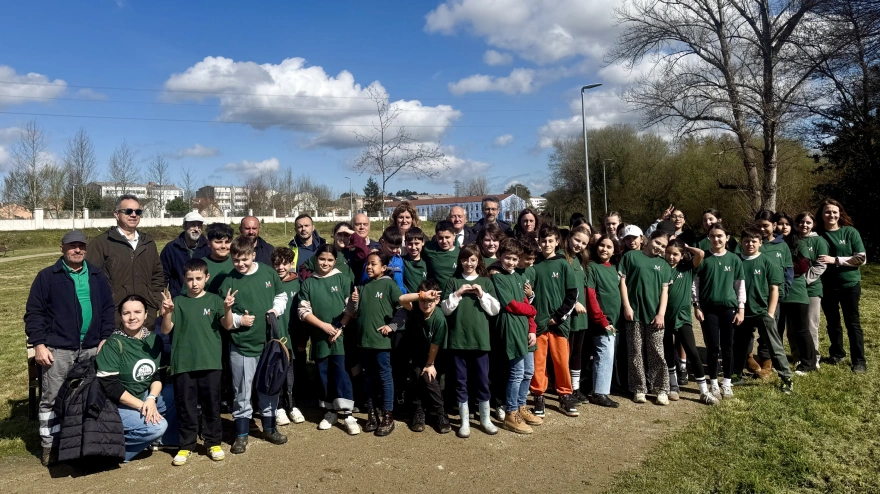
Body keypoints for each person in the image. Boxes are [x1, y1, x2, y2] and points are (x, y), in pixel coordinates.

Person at [25, 230, 116, 466]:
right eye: (72, 246)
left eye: (81, 246)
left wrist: (105, 337)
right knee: (52, 398)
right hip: (58, 348)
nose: (77, 250)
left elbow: (108, 309)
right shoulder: (47, 277)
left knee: (90, 396)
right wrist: (39, 344)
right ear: (62, 248)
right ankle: (50, 446)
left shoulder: (96, 275)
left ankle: (85, 444)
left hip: (91, 347)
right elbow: (34, 313)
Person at [218, 236, 289, 454]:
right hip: (242, 346)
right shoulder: (228, 281)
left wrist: (275, 309)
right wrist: (240, 320)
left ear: (253, 255)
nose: (240, 263)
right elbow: (223, 317)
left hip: (268, 345)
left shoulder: (268, 273)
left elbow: (281, 295)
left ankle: (270, 428)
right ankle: (241, 434)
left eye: (245, 259)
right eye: (236, 260)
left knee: (269, 386)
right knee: (242, 390)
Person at [160, 259, 227, 465]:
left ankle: (213, 442)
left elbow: (227, 325)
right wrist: (167, 312)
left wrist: (227, 308)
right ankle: (186, 445)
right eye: (190, 279)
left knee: (211, 404)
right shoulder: (177, 302)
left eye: (198, 278)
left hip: (210, 361)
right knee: (186, 405)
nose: (194, 283)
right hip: (183, 363)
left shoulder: (215, 300)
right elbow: (166, 330)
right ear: (184, 279)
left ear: (207, 278)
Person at [355, 252, 425, 436]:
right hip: (364, 341)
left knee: (385, 377)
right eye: (367, 264)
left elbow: (403, 309)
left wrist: (392, 326)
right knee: (368, 378)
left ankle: (388, 416)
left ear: (384, 267)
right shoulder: (362, 286)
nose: (369, 267)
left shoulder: (389, 285)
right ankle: (371, 414)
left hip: (382, 343)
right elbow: (355, 312)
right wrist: (353, 303)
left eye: (373, 264)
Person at [97, 295, 170, 463]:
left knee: (173, 395)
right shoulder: (113, 343)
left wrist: (151, 398)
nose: (132, 317)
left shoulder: (154, 339)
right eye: (126, 313)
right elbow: (110, 387)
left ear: (146, 314)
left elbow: (158, 375)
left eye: (137, 312)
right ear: (120, 316)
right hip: (117, 405)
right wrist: (143, 406)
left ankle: (158, 442)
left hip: (144, 396)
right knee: (158, 427)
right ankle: (114, 454)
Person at [298, 245, 360, 435]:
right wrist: (324, 326)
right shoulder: (309, 283)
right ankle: (330, 411)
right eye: (322, 259)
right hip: (320, 338)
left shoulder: (343, 279)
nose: (325, 263)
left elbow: (351, 308)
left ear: (335, 261)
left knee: (341, 373)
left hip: (339, 338)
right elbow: (303, 311)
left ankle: (348, 414)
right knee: (323, 374)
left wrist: (339, 326)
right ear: (316, 259)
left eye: (330, 260)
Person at [441, 244, 502, 438]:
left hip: (480, 341)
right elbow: (445, 309)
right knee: (461, 382)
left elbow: (495, 310)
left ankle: (485, 419)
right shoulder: (453, 282)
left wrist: (482, 294)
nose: (469, 263)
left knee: (482, 380)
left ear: (478, 261)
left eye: (473, 260)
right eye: (465, 259)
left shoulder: (486, 282)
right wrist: (457, 294)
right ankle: (464, 422)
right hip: (458, 341)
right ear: (460, 261)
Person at [85, 194, 164, 329]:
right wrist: (106, 305)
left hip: (146, 316)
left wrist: (155, 302)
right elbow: (91, 279)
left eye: (138, 212)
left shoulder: (148, 242)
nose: (133, 215)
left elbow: (157, 275)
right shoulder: (101, 243)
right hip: (114, 316)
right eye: (128, 211)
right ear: (116, 214)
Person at [732, 228, 793, 394]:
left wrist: (771, 313)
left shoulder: (767, 262)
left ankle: (786, 378)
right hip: (742, 312)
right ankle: (736, 374)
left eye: (754, 241)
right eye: (746, 241)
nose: (750, 244)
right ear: (741, 242)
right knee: (740, 345)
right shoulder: (735, 260)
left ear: (760, 243)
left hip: (762, 311)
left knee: (774, 346)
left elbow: (774, 289)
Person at [490, 239, 539, 434]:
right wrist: (532, 310)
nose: (511, 262)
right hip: (511, 328)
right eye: (507, 258)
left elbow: (526, 303)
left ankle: (521, 406)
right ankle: (511, 413)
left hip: (525, 328)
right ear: (500, 256)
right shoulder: (498, 277)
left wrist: (532, 328)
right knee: (517, 372)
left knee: (528, 371)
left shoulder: (519, 276)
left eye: (514, 259)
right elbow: (510, 305)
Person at [530, 225, 579, 417]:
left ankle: (565, 395)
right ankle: (538, 395)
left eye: (550, 240)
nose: (547, 244)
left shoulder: (564, 264)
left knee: (561, 361)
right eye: (543, 241)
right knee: (538, 362)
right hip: (538, 324)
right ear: (539, 242)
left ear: (557, 242)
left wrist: (558, 316)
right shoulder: (533, 264)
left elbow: (572, 295)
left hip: (559, 324)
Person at [619, 230, 673, 405]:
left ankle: (661, 389)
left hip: (655, 316)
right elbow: (622, 283)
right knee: (635, 352)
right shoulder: (631, 257)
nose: (659, 247)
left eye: (663, 246)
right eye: (657, 243)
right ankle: (639, 388)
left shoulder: (664, 265)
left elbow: (665, 291)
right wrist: (627, 306)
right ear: (648, 239)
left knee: (657, 351)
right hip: (634, 314)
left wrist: (661, 314)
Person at [662, 239, 717, 405]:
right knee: (668, 352)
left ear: (682, 255)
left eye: (675, 254)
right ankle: (673, 385)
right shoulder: (661, 268)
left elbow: (700, 253)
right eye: (668, 253)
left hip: (682, 317)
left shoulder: (687, 269)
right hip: (663, 318)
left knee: (692, 352)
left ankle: (704, 392)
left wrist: (686, 246)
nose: (671, 257)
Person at [694, 224, 745, 399]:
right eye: (712, 236)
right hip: (709, 310)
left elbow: (740, 286)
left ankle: (727, 382)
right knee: (713, 347)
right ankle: (714, 382)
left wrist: (741, 309)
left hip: (729, 308)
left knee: (728, 346)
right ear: (708, 237)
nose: (716, 239)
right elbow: (695, 284)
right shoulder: (703, 258)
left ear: (727, 237)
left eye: (720, 236)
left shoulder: (734, 259)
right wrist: (697, 305)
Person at [816, 199, 867, 373]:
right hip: (826, 285)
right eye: (827, 212)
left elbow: (861, 258)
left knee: (852, 323)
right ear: (821, 215)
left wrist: (835, 260)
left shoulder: (850, 232)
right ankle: (837, 353)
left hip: (849, 284)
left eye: (834, 212)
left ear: (840, 214)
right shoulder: (817, 234)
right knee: (832, 322)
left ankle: (859, 360)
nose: (831, 215)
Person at [401, 280, 450, 433]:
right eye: (423, 300)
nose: (426, 304)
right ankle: (418, 411)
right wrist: (422, 295)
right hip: (418, 354)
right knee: (416, 377)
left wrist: (429, 364)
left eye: (430, 300)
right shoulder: (416, 310)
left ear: (437, 300)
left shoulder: (439, 318)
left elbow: (435, 345)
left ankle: (441, 413)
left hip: (436, 357)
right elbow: (402, 299)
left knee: (428, 378)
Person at [753, 210, 793, 376]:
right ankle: (747, 358)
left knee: (769, 330)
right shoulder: (752, 243)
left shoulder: (782, 246)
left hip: (773, 297)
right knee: (747, 330)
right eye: (758, 226)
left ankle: (766, 363)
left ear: (774, 225)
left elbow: (788, 271)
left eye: (765, 226)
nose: (762, 229)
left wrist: (784, 290)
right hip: (752, 294)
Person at [584, 235, 621, 408]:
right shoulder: (592, 267)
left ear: (614, 251)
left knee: (608, 353)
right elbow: (591, 295)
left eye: (609, 247)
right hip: (601, 321)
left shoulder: (614, 268)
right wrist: (600, 319)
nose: (604, 249)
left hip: (614, 320)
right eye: (602, 245)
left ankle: (602, 388)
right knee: (605, 353)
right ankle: (599, 392)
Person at [271, 247, 306, 426]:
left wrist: (302, 338)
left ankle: (292, 405)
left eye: (284, 264)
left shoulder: (298, 284)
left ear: (291, 264)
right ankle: (278, 407)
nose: (281, 268)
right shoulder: (269, 283)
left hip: (293, 335)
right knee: (276, 372)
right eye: (277, 264)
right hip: (275, 336)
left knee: (291, 372)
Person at [794, 211, 829, 370]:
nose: (804, 225)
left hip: (812, 289)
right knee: (793, 325)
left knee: (810, 324)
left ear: (813, 224)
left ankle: (813, 357)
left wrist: (804, 280)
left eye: (808, 222)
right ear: (796, 224)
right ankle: (797, 356)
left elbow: (821, 265)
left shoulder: (819, 241)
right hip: (793, 289)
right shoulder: (792, 239)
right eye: (801, 222)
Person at [563, 225, 591, 404]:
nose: (579, 245)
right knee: (566, 354)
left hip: (581, 317)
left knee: (577, 354)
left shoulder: (580, 260)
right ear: (569, 237)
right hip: (568, 315)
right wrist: (574, 303)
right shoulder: (562, 258)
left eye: (583, 243)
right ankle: (565, 388)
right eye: (577, 240)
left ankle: (575, 388)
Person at [160, 212, 211, 299]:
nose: (196, 229)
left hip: (204, 299)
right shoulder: (171, 248)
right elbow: (162, 276)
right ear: (184, 226)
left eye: (199, 225)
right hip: (178, 299)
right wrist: (160, 299)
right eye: (193, 225)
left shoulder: (208, 247)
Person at [422, 220, 460, 290]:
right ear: (436, 236)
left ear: (454, 236)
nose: (444, 241)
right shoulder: (429, 249)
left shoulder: (461, 253)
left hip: (455, 294)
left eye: (447, 237)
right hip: (435, 294)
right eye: (440, 238)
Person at [203, 223, 236, 294]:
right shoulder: (199, 265)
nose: (223, 246)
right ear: (208, 243)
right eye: (218, 242)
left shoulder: (238, 263)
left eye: (227, 242)